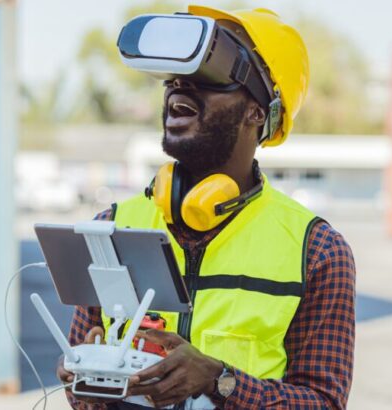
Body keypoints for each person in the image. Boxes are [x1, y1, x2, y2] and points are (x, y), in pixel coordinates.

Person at [57, 6, 355, 410]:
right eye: (175, 78)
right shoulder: (111, 227)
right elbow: (80, 393)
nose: (178, 89)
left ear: (257, 111)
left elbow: (323, 403)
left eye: (207, 78)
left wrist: (220, 381)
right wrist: (86, 380)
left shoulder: (317, 251)